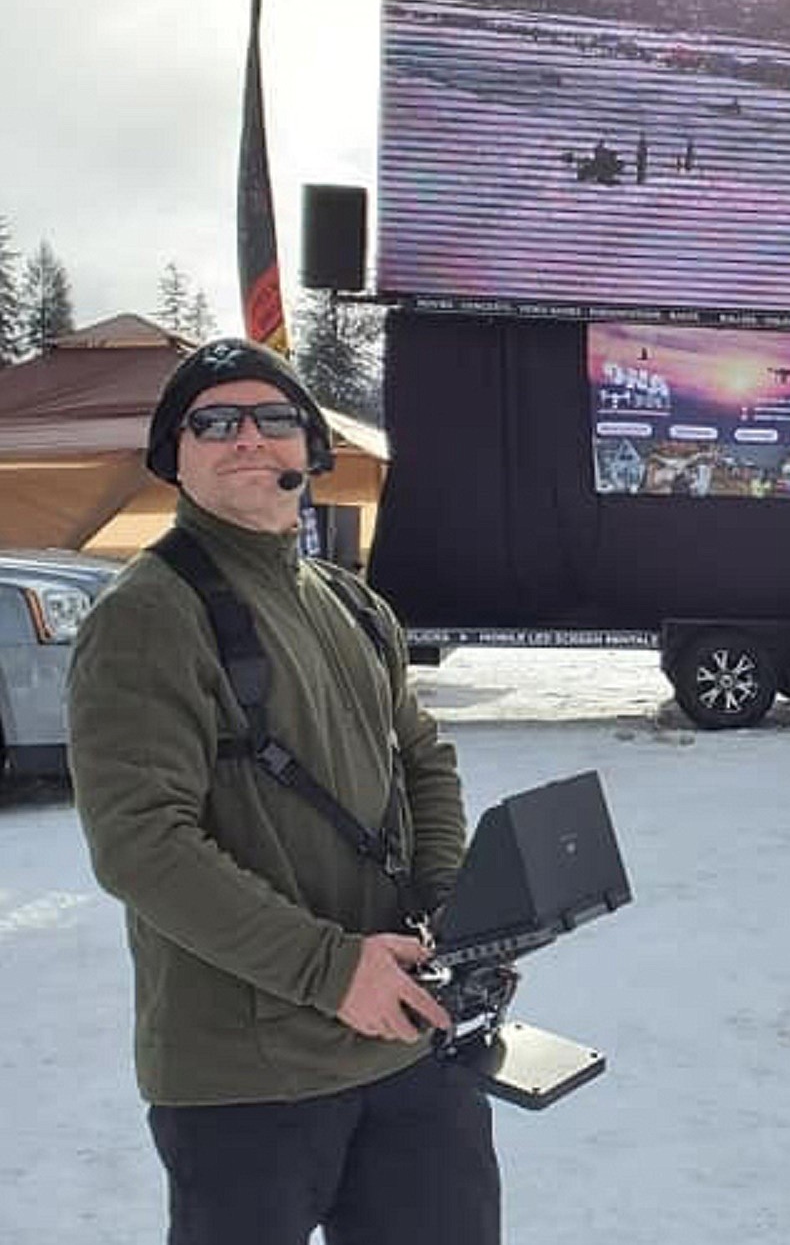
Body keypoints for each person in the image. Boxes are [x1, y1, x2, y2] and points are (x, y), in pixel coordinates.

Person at [67, 338, 500, 1245]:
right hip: (246, 1077)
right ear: (174, 456)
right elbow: (140, 842)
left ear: (310, 446)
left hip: (402, 1040)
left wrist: (448, 909)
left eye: (275, 418)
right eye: (214, 421)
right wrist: (331, 969)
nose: (248, 438)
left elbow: (423, 758)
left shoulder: (351, 602)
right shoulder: (148, 614)